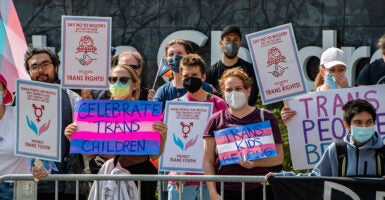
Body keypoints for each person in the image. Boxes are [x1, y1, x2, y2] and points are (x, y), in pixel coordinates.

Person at [65, 64, 168, 200]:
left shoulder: (146, 113)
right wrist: (74, 138)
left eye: (123, 80)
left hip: (140, 177)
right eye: (113, 80)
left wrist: (163, 135)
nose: (117, 84)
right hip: (106, 176)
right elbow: (90, 153)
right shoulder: (97, 111)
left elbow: (154, 155)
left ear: (135, 85)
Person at [203, 67, 284, 200]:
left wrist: (255, 163)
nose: (233, 93)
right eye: (229, 90)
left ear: (248, 90)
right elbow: (208, 161)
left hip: (261, 190)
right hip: (226, 191)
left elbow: (279, 157)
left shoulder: (266, 117)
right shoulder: (215, 120)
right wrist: (212, 192)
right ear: (223, 93)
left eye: (238, 88)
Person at [266, 99, 385, 178]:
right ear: (346, 125)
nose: (364, 127)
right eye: (358, 122)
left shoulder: (383, 150)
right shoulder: (337, 150)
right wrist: (281, 177)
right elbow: (315, 179)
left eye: (369, 122)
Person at [24, 47, 85, 200]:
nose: (40, 70)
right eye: (34, 66)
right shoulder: (18, 101)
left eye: (45, 65)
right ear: (29, 71)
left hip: (66, 184)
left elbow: (85, 140)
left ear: (55, 67)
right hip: (29, 183)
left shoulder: (73, 99)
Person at [167, 54, 228, 200]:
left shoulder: (218, 104)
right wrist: (174, 170)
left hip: (210, 181)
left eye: (194, 75)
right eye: (186, 75)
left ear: (203, 77)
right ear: (181, 78)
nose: (190, 79)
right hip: (180, 181)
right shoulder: (174, 106)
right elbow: (168, 143)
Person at [0, 74, 48, 200]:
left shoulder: (22, 116)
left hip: (18, 189)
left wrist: (42, 166)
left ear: (4, 92)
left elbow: (40, 146)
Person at [281, 47, 349, 123]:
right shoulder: (309, 98)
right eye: (332, 70)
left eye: (341, 70)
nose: (336, 73)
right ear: (322, 71)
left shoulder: (353, 96)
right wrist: (288, 119)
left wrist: (346, 92)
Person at [206, 24, 259, 106]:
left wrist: (217, 94)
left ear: (240, 43)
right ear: (221, 43)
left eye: (235, 40)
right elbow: (209, 102)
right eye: (228, 40)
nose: (231, 43)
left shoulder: (250, 70)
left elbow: (251, 100)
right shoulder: (211, 72)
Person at [152, 39, 213, 109]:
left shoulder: (205, 88)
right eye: (171, 54)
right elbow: (156, 118)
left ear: (188, 56)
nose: (175, 57)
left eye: (179, 53)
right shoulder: (162, 92)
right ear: (166, 60)